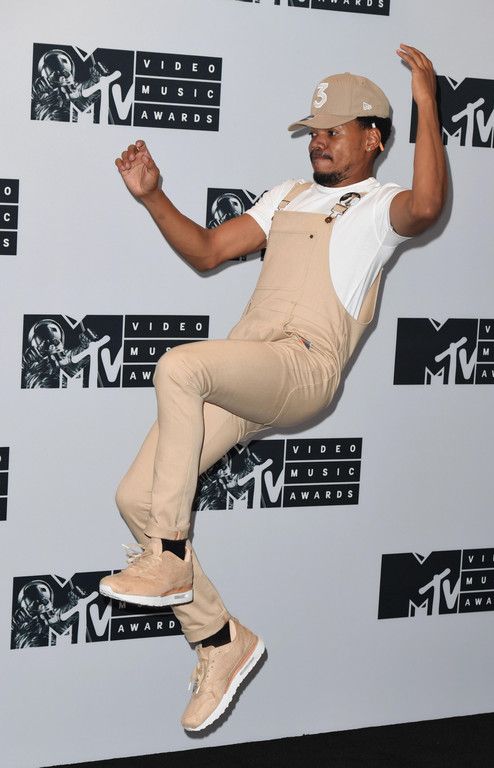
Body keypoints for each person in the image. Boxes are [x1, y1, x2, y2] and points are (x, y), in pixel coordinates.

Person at [99, 44, 447, 731]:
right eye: (313, 131)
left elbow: (429, 204)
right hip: (250, 366)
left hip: (304, 366)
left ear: (373, 139)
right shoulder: (286, 196)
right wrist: (153, 197)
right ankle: (218, 641)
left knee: (179, 366)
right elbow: (206, 252)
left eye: (335, 130)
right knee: (134, 496)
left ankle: (168, 556)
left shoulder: (380, 207)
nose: (318, 141)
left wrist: (427, 103)